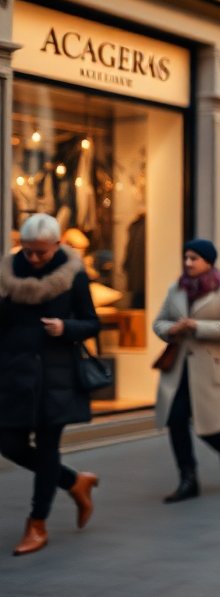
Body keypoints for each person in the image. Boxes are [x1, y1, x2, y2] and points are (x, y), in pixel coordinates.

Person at [0, 214, 100, 555]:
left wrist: (65, 328)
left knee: (46, 448)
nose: (34, 258)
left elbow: (91, 323)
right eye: (28, 252)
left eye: (41, 252)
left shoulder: (73, 276)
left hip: (56, 376)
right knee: (8, 443)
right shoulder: (9, 271)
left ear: (56, 246)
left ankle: (37, 523)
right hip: (14, 374)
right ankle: (75, 481)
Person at [153, 239, 220, 503]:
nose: (188, 262)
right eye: (186, 257)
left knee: (207, 425)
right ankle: (188, 478)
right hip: (179, 368)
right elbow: (159, 322)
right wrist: (171, 330)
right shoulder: (176, 289)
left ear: (208, 261)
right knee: (176, 419)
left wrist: (198, 327)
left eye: (194, 258)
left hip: (209, 367)